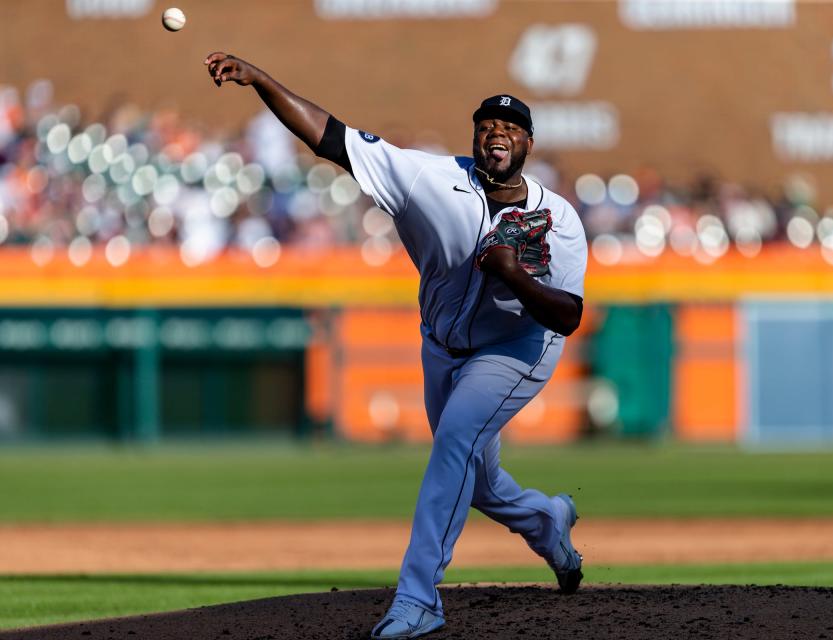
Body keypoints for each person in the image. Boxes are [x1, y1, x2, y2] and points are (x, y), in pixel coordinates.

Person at [204, 52, 587, 640]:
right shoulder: (427, 179)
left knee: (455, 441)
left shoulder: (555, 218)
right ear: (475, 136)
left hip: (517, 349)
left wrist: (514, 276)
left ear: (528, 143)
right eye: (487, 124)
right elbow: (329, 136)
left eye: (511, 127)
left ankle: (419, 599)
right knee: (476, 479)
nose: (498, 133)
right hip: (441, 347)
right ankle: (547, 520)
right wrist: (260, 80)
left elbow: (568, 316)